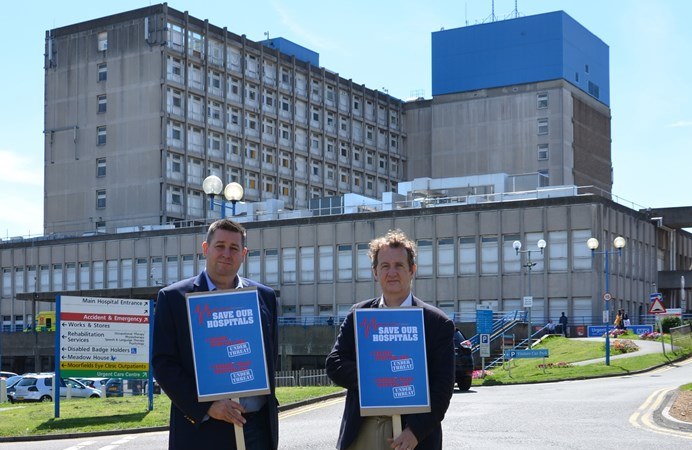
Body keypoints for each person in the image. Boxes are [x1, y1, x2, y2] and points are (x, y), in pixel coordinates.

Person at [152, 219, 279, 450]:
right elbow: (163, 364)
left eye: (234, 248)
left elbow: (270, 358)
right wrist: (207, 407)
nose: (226, 254)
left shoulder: (265, 297)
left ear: (244, 254)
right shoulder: (173, 299)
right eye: (220, 246)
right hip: (203, 431)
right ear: (205, 248)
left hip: (257, 429)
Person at [326, 229, 455, 450]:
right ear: (375, 271)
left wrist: (415, 432)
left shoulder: (437, 323)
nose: (392, 272)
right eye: (385, 266)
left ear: (412, 270)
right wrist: (378, 378)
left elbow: (442, 387)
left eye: (399, 266)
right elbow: (335, 363)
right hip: (362, 431)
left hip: (412, 438)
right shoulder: (359, 315)